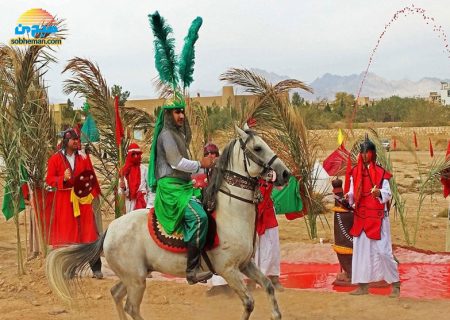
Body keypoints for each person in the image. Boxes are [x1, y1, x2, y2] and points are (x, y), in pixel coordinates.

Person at [148, 101, 216, 285]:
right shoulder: (166, 135)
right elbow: (176, 163)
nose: (182, 116)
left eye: (182, 112)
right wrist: (201, 164)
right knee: (198, 217)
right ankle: (192, 271)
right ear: (168, 115)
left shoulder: (177, 134)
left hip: (184, 186)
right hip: (171, 189)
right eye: (177, 112)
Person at [208, 170, 284, 295]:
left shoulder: (270, 168)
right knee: (244, 248)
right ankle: (241, 282)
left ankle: (272, 278)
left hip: (265, 212)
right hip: (245, 213)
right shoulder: (241, 168)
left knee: (270, 247)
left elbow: (281, 184)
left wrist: (274, 175)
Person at [345, 137, 400, 297]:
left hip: (377, 218)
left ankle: (395, 284)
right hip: (361, 216)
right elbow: (353, 193)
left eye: (366, 152)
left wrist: (379, 193)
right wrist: (347, 196)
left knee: (384, 252)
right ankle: (362, 287)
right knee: (361, 252)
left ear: (372, 154)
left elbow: (388, 194)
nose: (363, 155)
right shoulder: (355, 172)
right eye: (362, 152)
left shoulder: (381, 172)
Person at [45, 128, 103, 279]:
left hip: (83, 199)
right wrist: (62, 178)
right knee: (69, 235)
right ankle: (69, 269)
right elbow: (49, 179)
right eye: (74, 140)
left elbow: (91, 176)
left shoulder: (83, 157)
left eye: (78, 139)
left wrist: (92, 194)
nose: (77, 142)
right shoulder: (55, 159)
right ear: (66, 142)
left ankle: (96, 268)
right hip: (65, 201)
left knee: (89, 232)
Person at [119, 143, 151, 213]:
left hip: (143, 202)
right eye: (133, 154)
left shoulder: (145, 169)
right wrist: (123, 188)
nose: (136, 156)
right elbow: (120, 192)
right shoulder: (124, 171)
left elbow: (150, 188)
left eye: (137, 154)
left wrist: (149, 205)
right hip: (129, 203)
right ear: (129, 155)